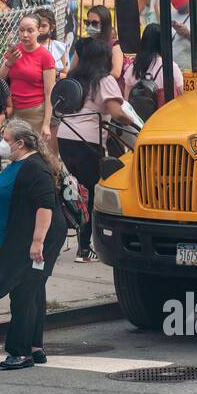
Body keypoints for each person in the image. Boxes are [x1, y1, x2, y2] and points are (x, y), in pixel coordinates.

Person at [0, 120, 67, 370]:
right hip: (22, 234)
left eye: (6, 138)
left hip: (39, 237)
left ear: (20, 143)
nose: (2, 142)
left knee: (23, 289)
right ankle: (35, 346)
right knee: (34, 288)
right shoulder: (20, 163)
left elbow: (45, 207)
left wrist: (37, 242)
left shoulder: (35, 168)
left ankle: (20, 351)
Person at [58, 37, 135, 263]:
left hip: (66, 136)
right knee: (91, 193)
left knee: (71, 188)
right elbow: (117, 112)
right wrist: (135, 121)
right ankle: (84, 249)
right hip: (87, 141)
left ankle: (59, 236)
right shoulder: (103, 80)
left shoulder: (74, 78)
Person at [0, 13, 57, 144]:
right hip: (13, 111)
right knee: (12, 152)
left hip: (35, 113)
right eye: (21, 30)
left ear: (38, 31)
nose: (25, 35)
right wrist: (9, 63)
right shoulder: (14, 51)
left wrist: (46, 124)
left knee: (34, 152)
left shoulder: (45, 56)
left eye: (30, 31)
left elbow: (49, 93)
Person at [129, 23, 186, 108]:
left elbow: (127, 96)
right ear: (162, 42)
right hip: (163, 116)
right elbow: (182, 94)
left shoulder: (134, 67)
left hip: (141, 119)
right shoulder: (170, 66)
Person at [74, 5, 126, 80]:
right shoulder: (82, 44)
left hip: (106, 89)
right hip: (83, 88)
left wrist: (92, 80)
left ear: (104, 24)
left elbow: (116, 73)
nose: (90, 27)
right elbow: (72, 70)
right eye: (88, 23)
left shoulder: (114, 46)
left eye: (95, 23)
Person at [36, 8, 70, 77]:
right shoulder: (27, 46)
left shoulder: (59, 47)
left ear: (52, 28)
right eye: (37, 25)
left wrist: (54, 74)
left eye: (43, 26)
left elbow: (65, 74)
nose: (39, 29)